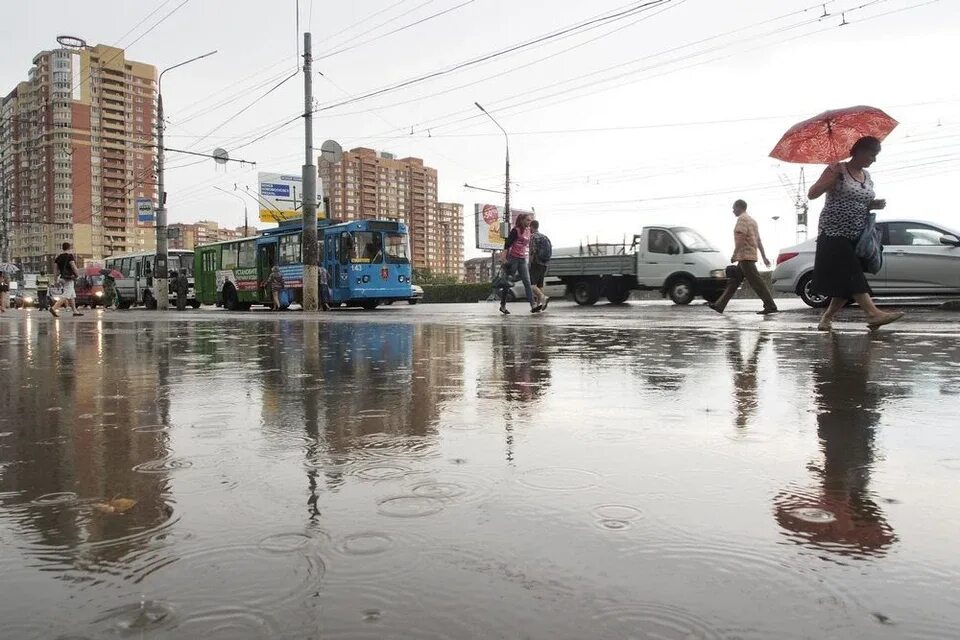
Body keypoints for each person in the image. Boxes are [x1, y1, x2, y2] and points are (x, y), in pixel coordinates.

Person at [808, 136, 904, 331]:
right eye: (872, 154)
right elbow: (812, 193)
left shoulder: (866, 176)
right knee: (852, 272)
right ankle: (872, 313)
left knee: (847, 282)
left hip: (858, 233)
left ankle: (826, 318)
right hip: (834, 231)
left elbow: (860, 201)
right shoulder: (837, 169)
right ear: (859, 151)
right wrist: (832, 179)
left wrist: (873, 204)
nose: (873, 159)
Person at [709, 200, 778, 315]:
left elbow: (740, 237)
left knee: (757, 282)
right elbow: (758, 240)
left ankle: (770, 305)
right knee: (734, 282)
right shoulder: (752, 221)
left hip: (745, 257)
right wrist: (764, 256)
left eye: (733, 208)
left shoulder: (742, 220)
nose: (733, 211)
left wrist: (735, 254)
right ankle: (719, 305)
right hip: (748, 256)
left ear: (739, 207)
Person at [498, 213, 540, 315]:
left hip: (522, 259)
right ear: (522, 220)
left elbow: (528, 246)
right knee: (508, 283)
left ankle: (533, 305)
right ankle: (502, 305)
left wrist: (530, 259)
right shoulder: (515, 230)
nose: (529, 222)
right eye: (527, 220)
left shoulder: (528, 231)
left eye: (530, 220)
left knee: (527, 281)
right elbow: (507, 244)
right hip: (513, 259)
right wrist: (503, 257)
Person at [50, 242, 82, 318]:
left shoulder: (58, 257)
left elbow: (55, 270)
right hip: (68, 278)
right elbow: (73, 266)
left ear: (62, 248)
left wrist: (55, 281)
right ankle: (54, 308)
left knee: (72, 295)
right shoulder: (70, 256)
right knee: (66, 295)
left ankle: (75, 311)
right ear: (69, 248)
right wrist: (77, 275)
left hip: (61, 278)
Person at [528, 219, 553, 311]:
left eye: (529, 227)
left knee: (532, 285)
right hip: (545, 263)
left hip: (536, 263)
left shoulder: (533, 236)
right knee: (540, 285)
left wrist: (530, 263)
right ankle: (539, 305)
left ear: (532, 227)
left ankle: (543, 298)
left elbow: (532, 251)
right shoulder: (545, 236)